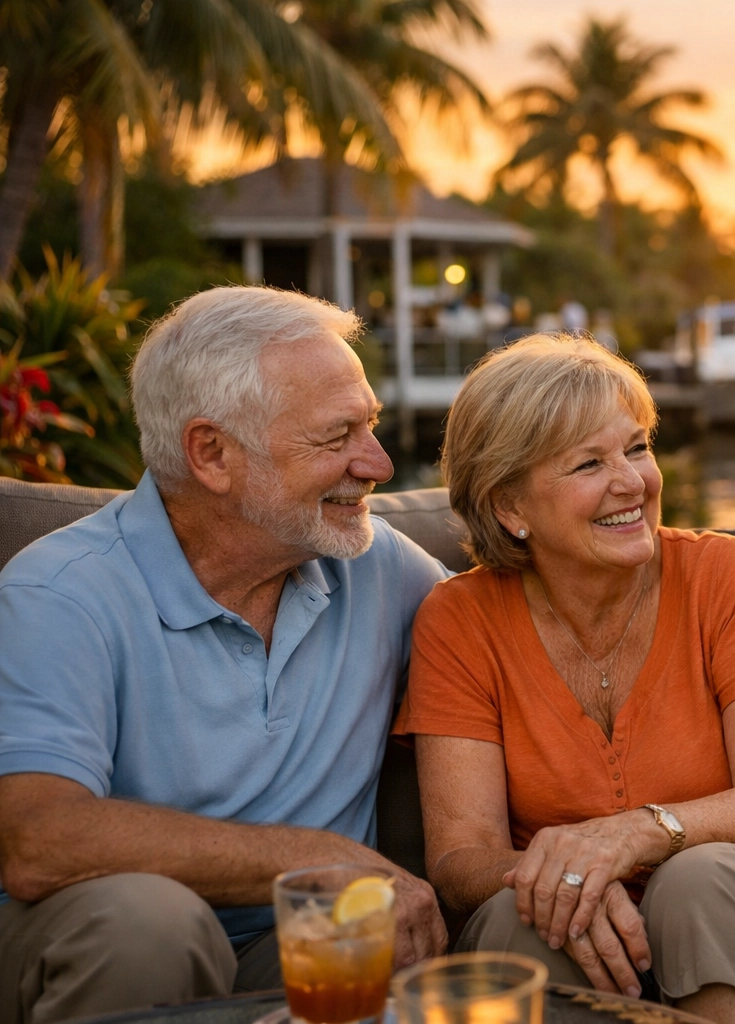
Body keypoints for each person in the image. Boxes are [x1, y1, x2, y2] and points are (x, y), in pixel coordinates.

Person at [392, 335, 735, 1024]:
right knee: (523, 921)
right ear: (510, 508)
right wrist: (566, 875)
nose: (633, 482)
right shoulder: (458, 621)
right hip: (595, 918)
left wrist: (633, 836)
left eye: (637, 448)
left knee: (700, 881)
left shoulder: (727, 575)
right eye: (589, 463)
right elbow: (462, 860)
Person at [0, 287, 449, 1024]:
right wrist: (314, 858)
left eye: (368, 426)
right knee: (150, 922)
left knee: (361, 935)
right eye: (336, 437)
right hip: (104, 943)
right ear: (212, 453)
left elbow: (508, 641)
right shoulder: (61, 593)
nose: (377, 463)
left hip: (292, 944)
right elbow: (39, 839)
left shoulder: (375, 562)